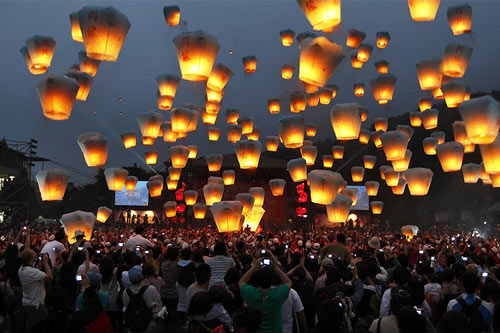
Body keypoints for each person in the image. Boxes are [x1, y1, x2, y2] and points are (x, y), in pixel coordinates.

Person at [238, 252, 292, 333]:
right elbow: (289, 283)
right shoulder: (278, 293)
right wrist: (276, 268)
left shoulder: (251, 293)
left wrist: (254, 267)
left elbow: (241, 282)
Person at [18, 250, 53, 331]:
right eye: (34, 253)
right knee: (39, 327)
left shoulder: (21, 269)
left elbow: (35, 272)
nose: (36, 253)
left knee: (31, 326)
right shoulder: (31, 271)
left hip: (28, 302)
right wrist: (46, 263)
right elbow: (50, 277)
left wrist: (40, 263)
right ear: (31, 258)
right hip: (36, 304)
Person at [123, 265, 165, 332]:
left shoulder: (126, 292)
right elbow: (158, 308)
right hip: (148, 326)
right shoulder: (151, 289)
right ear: (142, 276)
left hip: (133, 326)